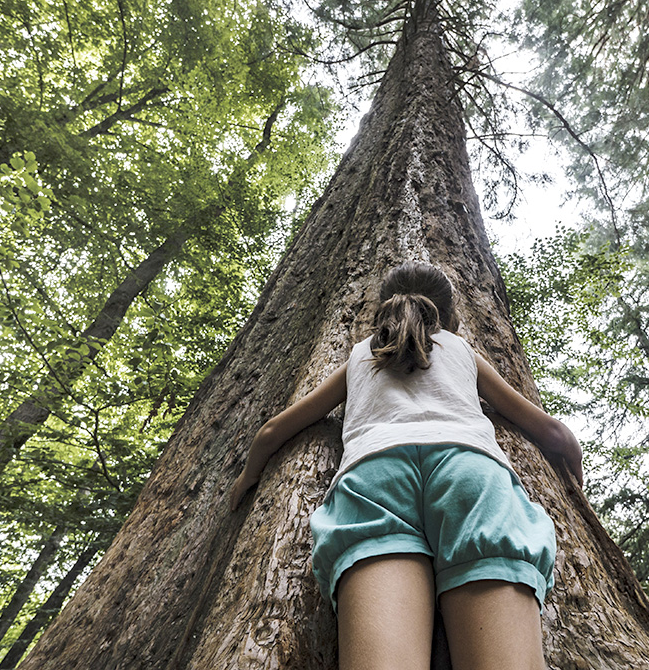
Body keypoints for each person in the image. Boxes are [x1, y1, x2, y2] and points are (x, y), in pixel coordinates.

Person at [229, 263, 583, 670]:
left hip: (375, 478)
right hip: (470, 474)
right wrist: (576, 475)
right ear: (450, 319)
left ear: (384, 311)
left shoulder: (361, 356)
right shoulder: (462, 350)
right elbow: (555, 434)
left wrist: (248, 476)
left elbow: (273, 431)